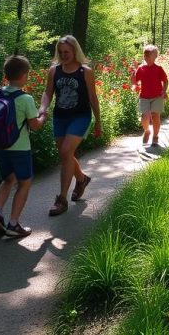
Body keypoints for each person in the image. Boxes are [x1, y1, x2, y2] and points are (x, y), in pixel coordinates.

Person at [39, 35, 101, 216]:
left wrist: (98, 121)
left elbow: (92, 97)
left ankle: (62, 199)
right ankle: (81, 179)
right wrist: (42, 108)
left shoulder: (85, 71)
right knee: (65, 154)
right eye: (60, 52)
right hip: (60, 117)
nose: (64, 55)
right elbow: (47, 93)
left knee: (66, 152)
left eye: (67, 51)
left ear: (75, 50)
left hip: (80, 116)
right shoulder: (54, 71)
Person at [0, 55, 45, 238]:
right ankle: (13, 224)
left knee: (7, 179)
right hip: (19, 148)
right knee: (24, 182)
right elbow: (35, 126)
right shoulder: (26, 99)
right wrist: (43, 115)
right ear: (24, 75)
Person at [130, 44, 168, 148]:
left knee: (156, 116)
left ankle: (155, 137)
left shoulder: (159, 69)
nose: (146, 58)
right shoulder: (141, 69)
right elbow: (135, 82)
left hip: (157, 96)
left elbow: (165, 81)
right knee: (144, 116)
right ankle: (147, 131)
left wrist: (164, 91)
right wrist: (132, 80)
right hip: (144, 96)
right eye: (145, 56)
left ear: (155, 57)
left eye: (149, 56)